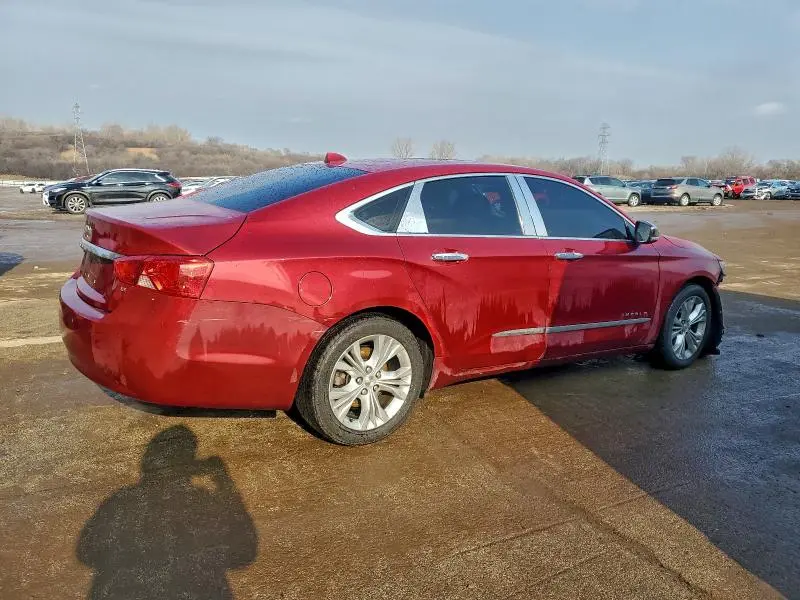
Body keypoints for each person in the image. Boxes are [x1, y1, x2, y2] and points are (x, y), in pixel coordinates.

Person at [77, 425, 257, 599]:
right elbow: (243, 552)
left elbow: (87, 551)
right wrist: (224, 482)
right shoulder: (202, 504)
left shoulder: (123, 501)